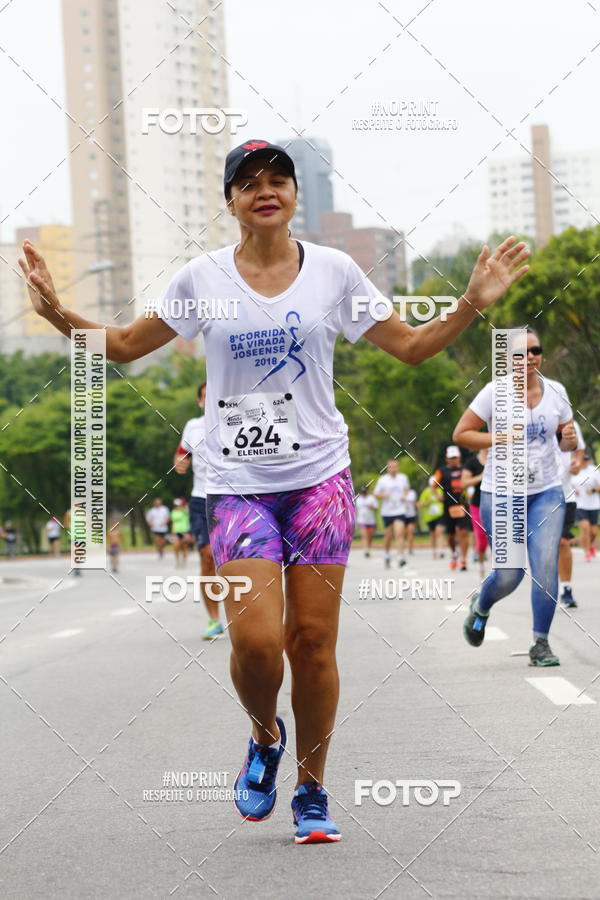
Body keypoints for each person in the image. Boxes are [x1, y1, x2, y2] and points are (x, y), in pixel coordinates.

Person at [20, 136, 529, 843]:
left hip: (319, 480)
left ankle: (313, 790)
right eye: (249, 181)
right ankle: (265, 735)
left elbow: (410, 347)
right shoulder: (200, 279)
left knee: (312, 643)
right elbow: (131, 344)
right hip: (235, 486)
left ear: (293, 195)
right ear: (230, 201)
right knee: (257, 644)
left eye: (279, 178)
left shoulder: (335, 271)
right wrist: (55, 317)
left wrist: (471, 303)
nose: (267, 188)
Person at [453, 329, 577, 666]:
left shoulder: (556, 392)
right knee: (510, 573)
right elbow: (462, 434)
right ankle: (481, 606)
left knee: (546, 567)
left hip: (546, 491)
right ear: (509, 359)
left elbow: (568, 442)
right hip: (503, 491)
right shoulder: (495, 392)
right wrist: (500, 437)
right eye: (521, 353)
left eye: (535, 350)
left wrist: (568, 438)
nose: (530, 357)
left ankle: (540, 643)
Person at [173, 382, 224, 639]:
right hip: (200, 500)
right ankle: (214, 620)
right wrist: (180, 462)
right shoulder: (192, 426)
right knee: (207, 558)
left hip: (233, 499)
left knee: (238, 562)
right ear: (199, 401)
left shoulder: (235, 418)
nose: (209, 399)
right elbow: (182, 453)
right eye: (205, 396)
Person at [556, 421, 585, 607]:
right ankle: (549, 585)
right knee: (544, 548)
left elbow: (579, 448)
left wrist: (577, 462)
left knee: (563, 541)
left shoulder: (570, 424)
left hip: (565, 495)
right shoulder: (526, 419)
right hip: (536, 496)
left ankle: (566, 588)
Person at [435, 446, 471, 571]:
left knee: (463, 532)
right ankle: (454, 553)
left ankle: (464, 559)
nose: (453, 460)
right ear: (446, 459)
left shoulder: (465, 470)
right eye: (451, 458)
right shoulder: (441, 471)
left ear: (459, 457)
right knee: (451, 535)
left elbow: (470, 482)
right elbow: (433, 486)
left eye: (455, 457)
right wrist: (438, 496)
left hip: (462, 505)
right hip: (448, 507)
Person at [374, 459, 409, 568]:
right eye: (391, 467)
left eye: (395, 467)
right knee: (388, 536)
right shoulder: (383, 480)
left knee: (399, 533)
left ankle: (400, 557)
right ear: (387, 468)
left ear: (398, 468)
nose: (393, 469)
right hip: (387, 511)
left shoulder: (403, 478)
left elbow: (406, 489)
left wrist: (404, 495)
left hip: (400, 510)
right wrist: (383, 495)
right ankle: (386, 554)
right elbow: (376, 494)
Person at [462, 448, 489, 578]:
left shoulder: (499, 459)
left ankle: (500, 566)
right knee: (481, 536)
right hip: (477, 504)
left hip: (498, 502)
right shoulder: (471, 463)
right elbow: (464, 483)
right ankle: (481, 561)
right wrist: (480, 477)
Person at [573, 452, 600, 562]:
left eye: (587, 459)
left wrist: (593, 490)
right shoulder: (574, 471)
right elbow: (568, 485)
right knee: (585, 527)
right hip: (580, 504)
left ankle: (590, 545)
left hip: (593, 504)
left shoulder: (594, 470)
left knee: (593, 532)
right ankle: (587, 552)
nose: (585, 461)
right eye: (583, 459)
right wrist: (574, 491)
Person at [417, 477, 445, 559]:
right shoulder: (426, 492)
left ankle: (440, 551)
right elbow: (419, 504)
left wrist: (436, 493)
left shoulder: (439, 490)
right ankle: (434, 551)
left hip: (439, 515)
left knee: (439, 532)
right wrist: (427, 501)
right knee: (433, 534)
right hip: (429, 517)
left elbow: (443, 499)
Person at [355, 486, 378, 557]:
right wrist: (356, 520)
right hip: (362, 521)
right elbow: (356, 510)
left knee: (370, 536)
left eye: (365, 492)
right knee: (364, 535)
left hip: (371, 521)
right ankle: (366, 550)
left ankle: (369, 548)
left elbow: (376, 508)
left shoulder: (372, 498)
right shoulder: (358, 499)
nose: (364, 493)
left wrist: (372, 507)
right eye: (363, 492)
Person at [171, 498, 191, 567]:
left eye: (178, 505)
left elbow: (188, 511)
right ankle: (177, 561)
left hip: (184, 531)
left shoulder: (184, 511)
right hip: (176, 531)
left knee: (184, 547)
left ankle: (184, 561)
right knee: (176, 546)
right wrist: (172, 531)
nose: (177, 506)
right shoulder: (173, 512)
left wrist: (183, 507)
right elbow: (173, 522)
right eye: (176, 505)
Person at [404, 486, 418, 555]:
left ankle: (410, 548)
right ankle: (403, 547)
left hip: (411, 515)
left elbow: (415, 502)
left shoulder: (412, 493)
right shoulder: (398, 492)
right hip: (402, 515)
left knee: (410, 532)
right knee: (404, 533)